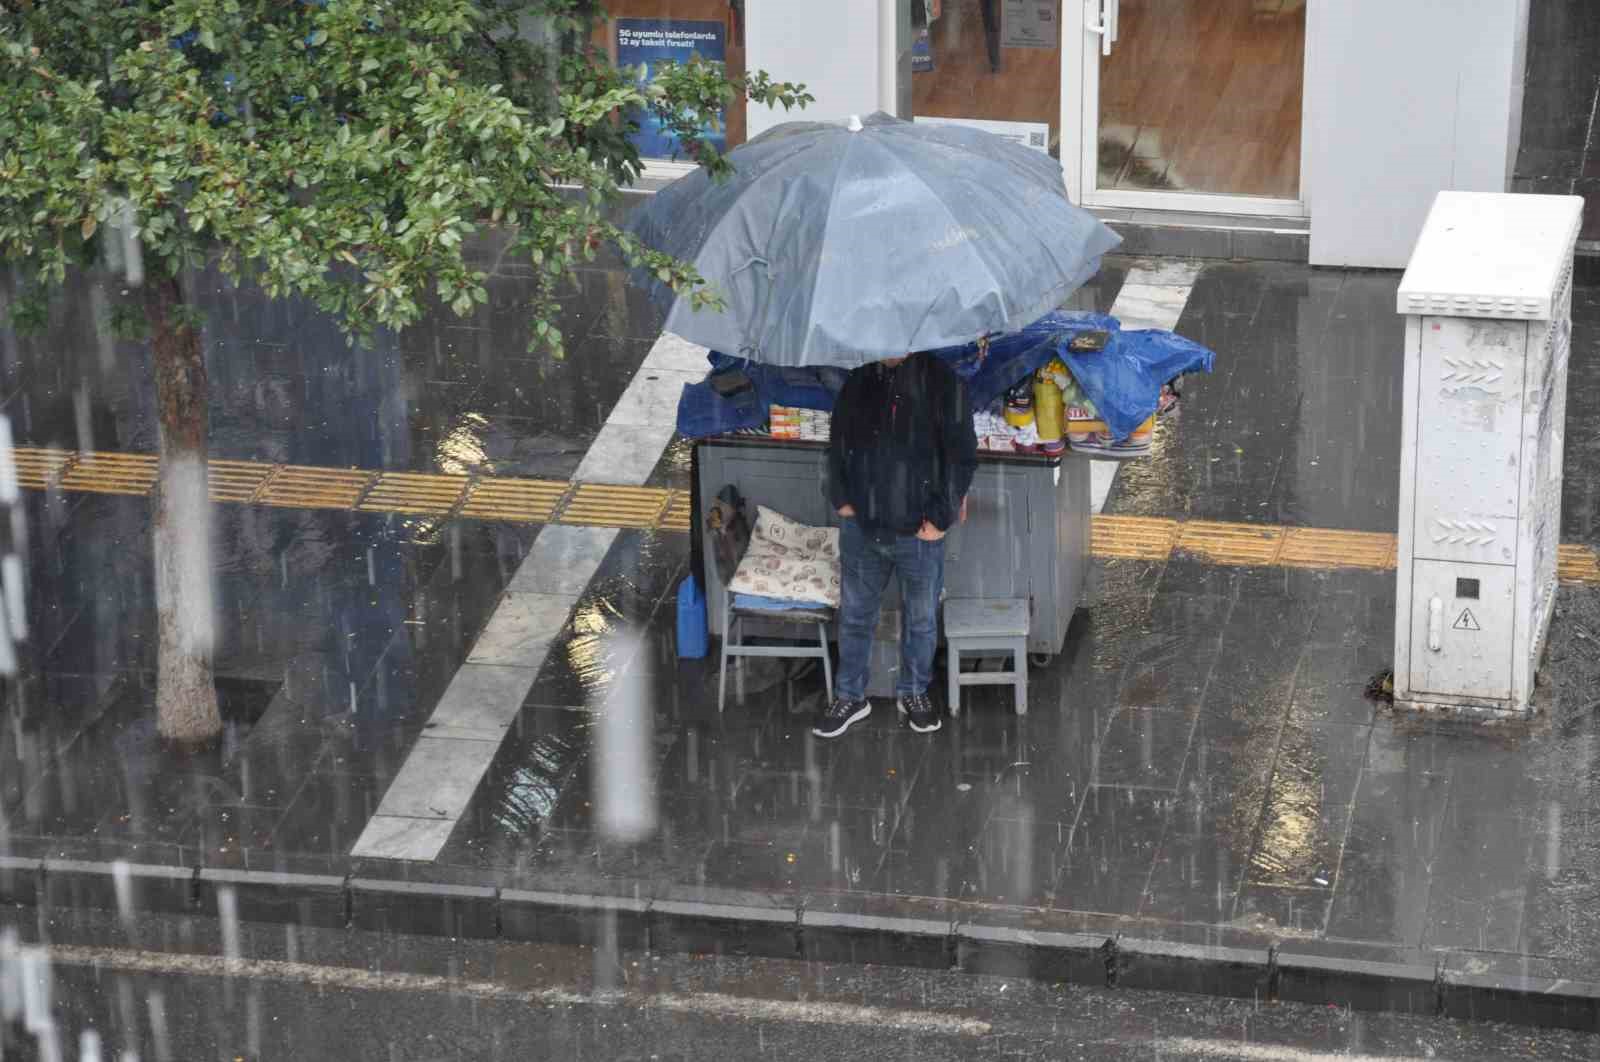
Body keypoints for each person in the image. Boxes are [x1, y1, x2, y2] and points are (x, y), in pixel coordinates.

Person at [817, 351, 978, 738]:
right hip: (863, 528)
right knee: (855, 614)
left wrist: (939, 519)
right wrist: (841, 499)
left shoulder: (943, 383)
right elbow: (837, 444)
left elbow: (961, 457)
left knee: (921, 620)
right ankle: (850, 695)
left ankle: (915, 691)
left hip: (918, 532)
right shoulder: (859, 382)